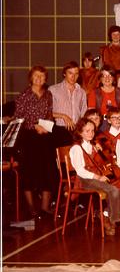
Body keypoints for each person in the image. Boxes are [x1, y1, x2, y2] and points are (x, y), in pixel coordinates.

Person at [69, 118, 120, 235]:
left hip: (98, 176)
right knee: (113, 190)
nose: (91, 134)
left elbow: (104, 163)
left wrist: (100, 152)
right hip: (84, 180)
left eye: (93, 131)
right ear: (79, 132)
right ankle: (113, 221)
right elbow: (80, 171)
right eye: (87, 131)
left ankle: (107, 214)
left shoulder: (94, 145)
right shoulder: (76, 148)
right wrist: (97, 177)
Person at [15, 66, 58, 219]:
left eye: (42, 76)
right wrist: (34, 125)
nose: (39, 79)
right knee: (29, 173)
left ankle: (45, 208)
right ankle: (32, 208)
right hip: (29, 138)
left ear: (46, 78)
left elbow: (50, 114)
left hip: (45, 137)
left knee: (48, 171)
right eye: (36, 76)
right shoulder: (24, 95)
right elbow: (18, 117)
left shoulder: (48, 94)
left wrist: (47, 126)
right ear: (31, 78)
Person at [49, 61, 87, 142]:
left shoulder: (82, 92)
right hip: (59, 130)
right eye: (70, 73)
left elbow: (84, 113)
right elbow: (46, 112)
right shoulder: (53, 90)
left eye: (76, 74)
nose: (73, 77)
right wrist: (63, 116)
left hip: (77, 130)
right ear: (64, 74)